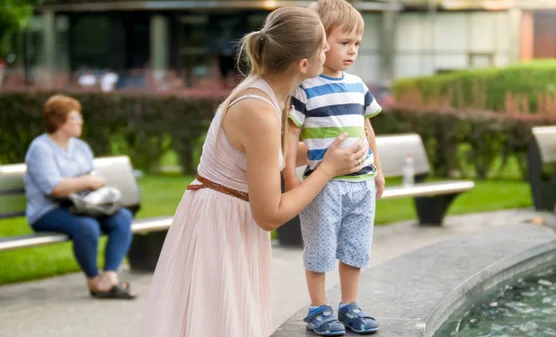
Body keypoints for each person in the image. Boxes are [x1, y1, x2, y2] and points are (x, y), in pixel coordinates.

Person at [136, 6, 368, 337]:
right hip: (221, 227)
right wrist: (328, 169)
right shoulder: (259, 111)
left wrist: (333, 151)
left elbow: (268, 157)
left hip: (227, 218)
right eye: (323, 47)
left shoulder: (268, 91)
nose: (329, 52)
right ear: (303, 65)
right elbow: (271, 215)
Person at [282, 0, 384, 335]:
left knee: (354, 249)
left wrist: (378, 171)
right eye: (344, 43)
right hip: (323, 187)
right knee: (320, 249)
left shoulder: (357, 85)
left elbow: (367, 130)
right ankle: (317, 309)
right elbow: (291, 132)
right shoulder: (304, 87)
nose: (352, 51)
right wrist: (289, 177)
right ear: (320, 43)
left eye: (356, 44)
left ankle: (349, 305)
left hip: (361, 183)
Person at [24, 94, 136, 299]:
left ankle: (110, 277)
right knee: (87, 227)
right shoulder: (40, 148)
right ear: (59, 120)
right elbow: (54, 188)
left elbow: (98, 179)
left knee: (123, 218)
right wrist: (84, 181)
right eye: (75, 117)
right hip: (48, 211)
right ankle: (94, 281)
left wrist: (80, 182)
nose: (80, 121)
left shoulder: (80, 147)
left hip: (84, 206)